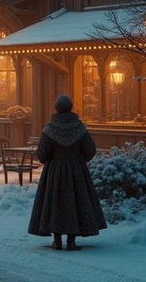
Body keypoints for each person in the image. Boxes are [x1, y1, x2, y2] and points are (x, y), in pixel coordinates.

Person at [28, 94, 107, 250]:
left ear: (56, 109)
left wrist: (54, 158)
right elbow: (90, 150)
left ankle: (57, 241)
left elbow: (42, 155)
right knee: (75, 202)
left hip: (55, 171)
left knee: (55, 202)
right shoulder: (79, 128)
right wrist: (78, 159)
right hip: (76, 170)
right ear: (71, 108)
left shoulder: (49, 129)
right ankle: (71, 241)